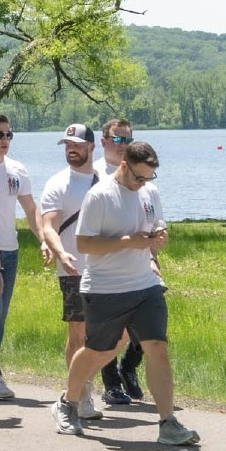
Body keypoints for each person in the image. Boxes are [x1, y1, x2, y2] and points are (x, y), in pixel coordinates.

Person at [55, 141, 199, 445]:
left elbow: (157, 227)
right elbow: (84, 245)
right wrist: (127, 242)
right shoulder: (99, 195)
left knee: (157, 347)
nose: (143, 183)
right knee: (99, 351)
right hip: (105, 287)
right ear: (124, 165)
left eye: (148, 178)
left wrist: (157, 240)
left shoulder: (149, 192)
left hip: (145, 285)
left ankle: (167, 423)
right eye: (138, 177)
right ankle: (67, 403)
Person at [38, 124, 102, 426]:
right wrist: (59, 251)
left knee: (107, 334)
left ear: (91, 147)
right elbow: (48, 224)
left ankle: (83, 387)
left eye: (76, 144)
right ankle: (81, 394)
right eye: (66, 145)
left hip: (107, 268)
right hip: (73, 267)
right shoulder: (58, 183)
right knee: (78, 334)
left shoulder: (106, 179)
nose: (71, 150)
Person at [0, 114, 44, 400]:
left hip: (9, 250)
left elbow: (31, 209)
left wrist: (44, 240)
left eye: (8, 135)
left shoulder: (17, 170)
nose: (5, 140)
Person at [98, 117, 145, 404]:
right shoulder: (95, 175)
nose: (123, 145)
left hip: (139, 262)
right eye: (118, 140)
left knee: (146, 325)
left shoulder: (139, 172)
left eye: (128, 139)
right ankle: (111, 383)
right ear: (104, 141)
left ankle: (128, 367)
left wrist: (153, 256)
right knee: (109, 330)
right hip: (104, 264)